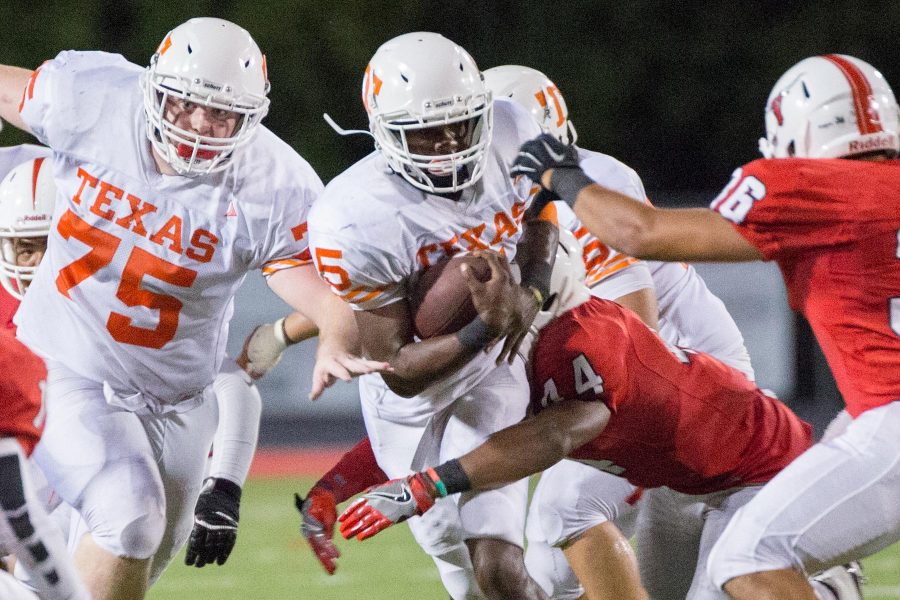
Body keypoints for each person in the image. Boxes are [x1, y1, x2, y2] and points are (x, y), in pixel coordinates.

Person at [0, 17, 385, 600]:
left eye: (224, 113)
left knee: (137, 554)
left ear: (253, 117)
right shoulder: (93, 98)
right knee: (129, 516)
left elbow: (318, 289)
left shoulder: (273, 183)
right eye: (186, 105)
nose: (202, 126)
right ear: (155, 90)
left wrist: (336, 329)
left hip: (180, 401)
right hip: (63, 368)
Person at [507, 53, 899, 600]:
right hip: (870, 416)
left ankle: (828, 583)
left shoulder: (813, 185)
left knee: (749, 558)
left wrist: (561, 174)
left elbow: (641, 233)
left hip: (881, 420)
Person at [337, 232, 814, 600]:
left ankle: (832, 584)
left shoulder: (584, 339)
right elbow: (432, 427)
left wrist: (426, 485)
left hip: (757, 466)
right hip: (683, 481)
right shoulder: (526, 348)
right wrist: (331, 490)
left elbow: (555, 435)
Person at [484, 64, 763, 600]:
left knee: (565, 512)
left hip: (685, 379)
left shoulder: (589, 185)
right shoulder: (491, 201)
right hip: (627, 381)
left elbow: (634, 336)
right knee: (547, 569)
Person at [307, 32, 558, 599]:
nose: (448, 145)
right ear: (385, 132)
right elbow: (396, 371)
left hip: (498, 366)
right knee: (451, 551)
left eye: (460, 125)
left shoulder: (514, 129)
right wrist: (485, 325)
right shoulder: (353, 216)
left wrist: (534, 292)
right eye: (426, 131)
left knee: (496, 558)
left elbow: (542, 206)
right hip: (415, 393)